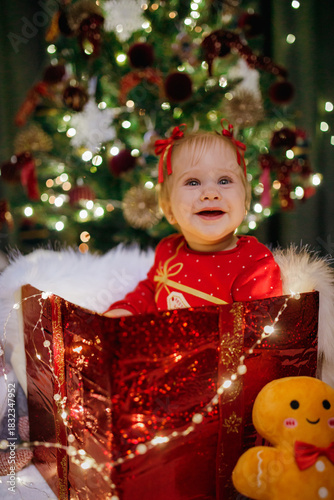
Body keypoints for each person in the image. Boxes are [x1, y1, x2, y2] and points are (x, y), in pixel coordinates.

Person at [104, 120, 282, 317]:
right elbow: (150, 291)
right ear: (168, 208)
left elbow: (259, 331)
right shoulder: (168, 250)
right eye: (193, 182)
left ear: (246, 201)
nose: (211, 193)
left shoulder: (254, 263)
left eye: (224, 180)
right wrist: (125, 311)